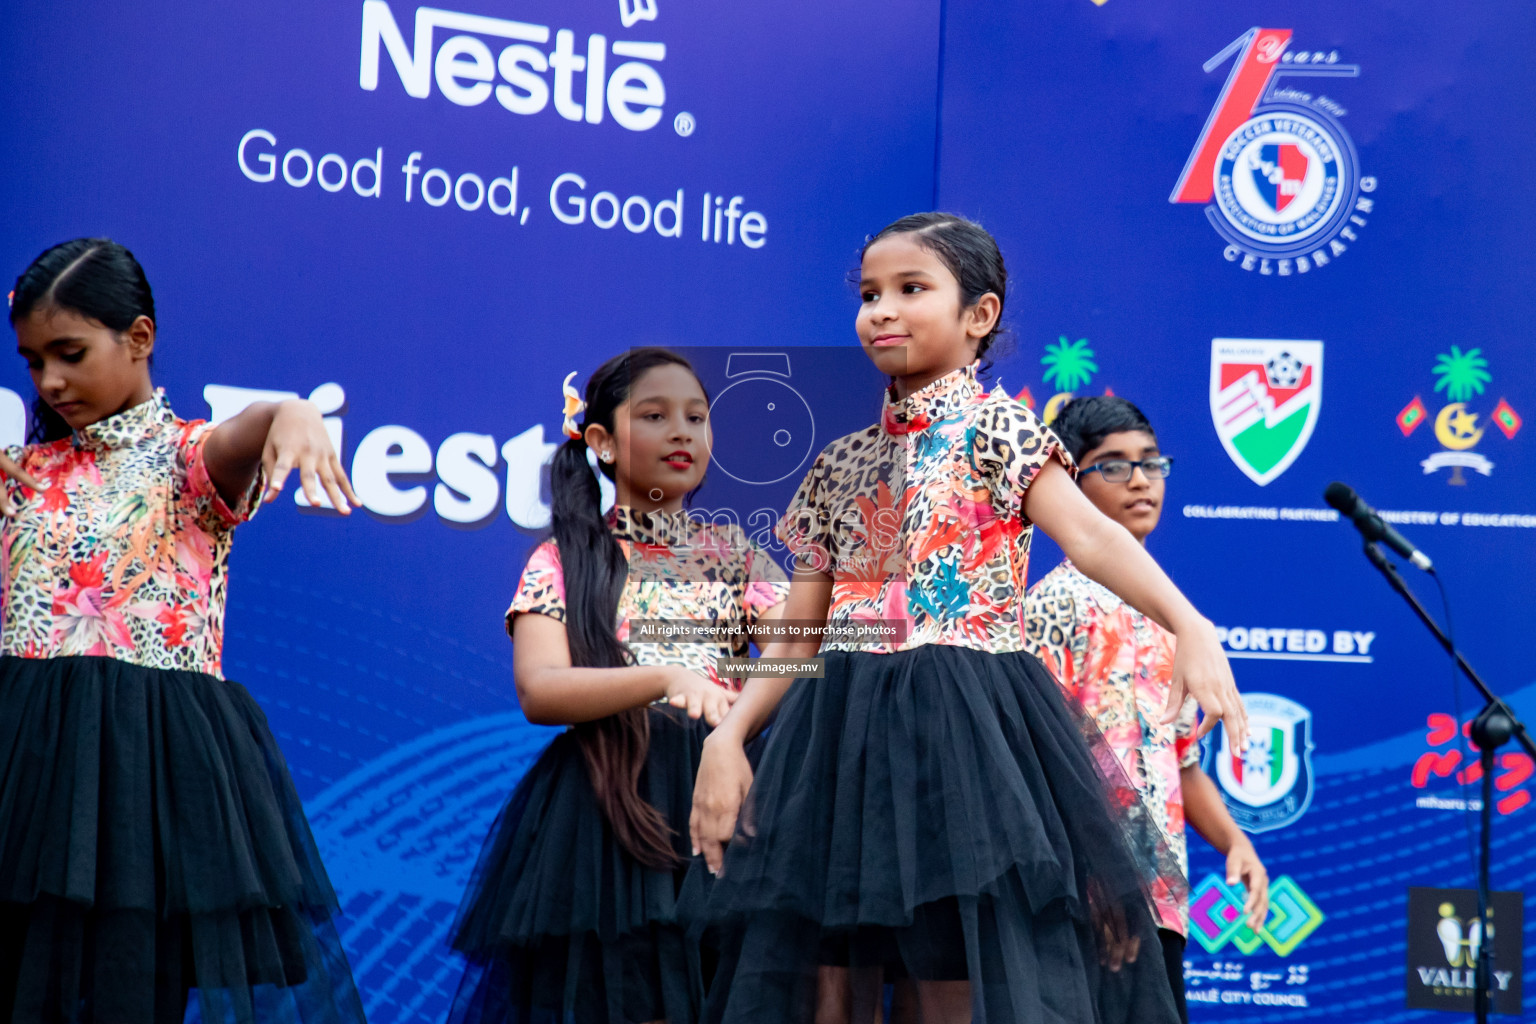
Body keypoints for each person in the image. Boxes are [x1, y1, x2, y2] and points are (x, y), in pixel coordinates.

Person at [688, 212, 1250, 1024]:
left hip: (963, 736)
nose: (882, 310)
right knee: (827, 985)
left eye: (911, 289)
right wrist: (733, 733)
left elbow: (1090, 535)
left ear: (978, 316)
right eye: (870, 293)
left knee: (952, 983)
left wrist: (1188, 621)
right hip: (837, 740)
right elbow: (801, 631)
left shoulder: (1000, 428)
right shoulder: (836, 462)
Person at [0, 238, 365, 1023]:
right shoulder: (20, 474)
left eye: (69, 353)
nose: (51, 381)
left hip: (147, 778)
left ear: (140, 338)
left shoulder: (188, 459)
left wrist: (291, 412)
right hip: (27, 769)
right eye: (34, 362)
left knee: (134, 991)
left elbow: (245, 433)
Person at [447, 348, 788, 1024]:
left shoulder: (735, 554)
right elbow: (540, 690)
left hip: (722, 802)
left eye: (697, 417)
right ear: (599, 442)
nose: (682, 433)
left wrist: (736, 713)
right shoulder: (566, 558)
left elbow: (796, 655)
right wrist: (663, 678)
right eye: (656, 416)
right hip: (606, 813)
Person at [1023, 395, 1269, 1024]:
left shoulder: (1171, 622)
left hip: (1161, 901)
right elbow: (1043, 763)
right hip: (1087, 900)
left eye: (1151, 464)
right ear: (1068, 485)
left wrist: (1236, 840)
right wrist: (1095, 879)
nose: (1139, 480)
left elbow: (1179, 764)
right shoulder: (1054, 606)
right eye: (1112, 465)